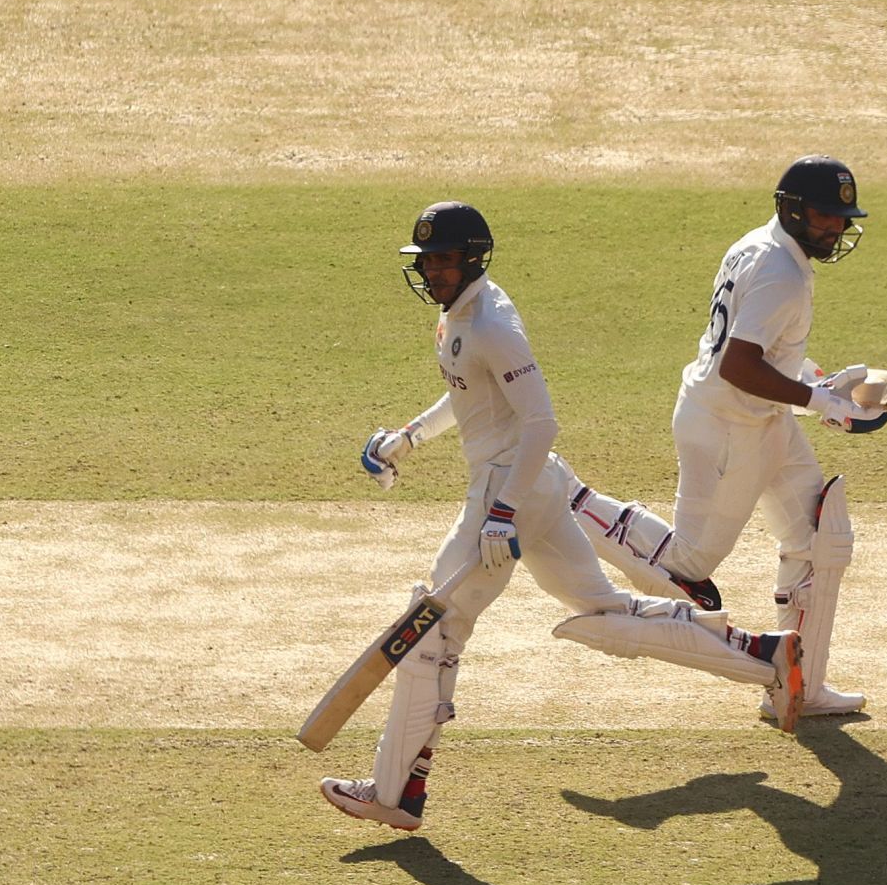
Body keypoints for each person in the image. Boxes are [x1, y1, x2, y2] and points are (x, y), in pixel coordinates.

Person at [319, 201, 805, 832]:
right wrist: (409, 437)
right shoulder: (463, 316)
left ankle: (396, 792)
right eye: (425, 261)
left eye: (441, 260)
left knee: (433, 626)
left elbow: (542, 420)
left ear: (471, 259)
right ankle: (764, 657)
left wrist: (500, 513)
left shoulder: (493, 324)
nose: (431, 272)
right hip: (534, 491)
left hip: (509, 490)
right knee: (603, 613)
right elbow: (470, 390)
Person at [566, 155, 887, 721]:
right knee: (689, 565)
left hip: (760, 421)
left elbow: (763, 350)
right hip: (726, 427)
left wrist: (817, 383)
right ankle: (567, 499)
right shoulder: (782, 274)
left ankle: (798, 684)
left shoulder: (759, 245)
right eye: (824, 217)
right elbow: (738, 367)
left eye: (842, 219)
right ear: (790, 211)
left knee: (817, 539)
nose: (835, 229)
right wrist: (822, 403)